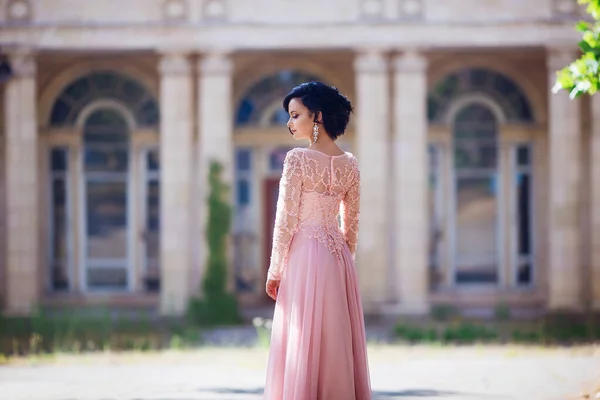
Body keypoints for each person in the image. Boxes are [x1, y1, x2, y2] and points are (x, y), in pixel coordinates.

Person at [263, 82, 372, 400]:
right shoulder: (350, 164)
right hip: (337, 258)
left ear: (318, 116)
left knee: (303, 337)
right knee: (334, 337)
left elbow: (285, 219)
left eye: (296, 115)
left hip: (304, 254)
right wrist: (343, 262)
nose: (290, 123)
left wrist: (275, 269)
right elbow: (351, 225)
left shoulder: (297, 159)